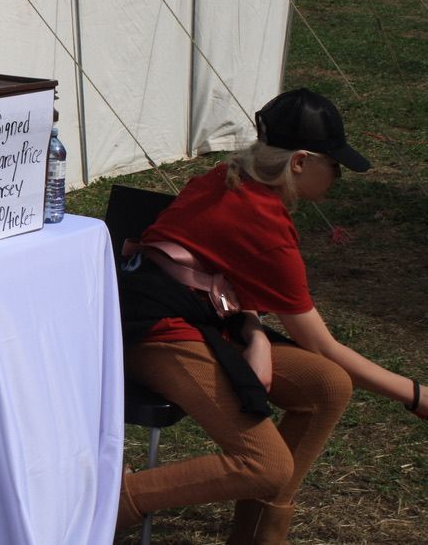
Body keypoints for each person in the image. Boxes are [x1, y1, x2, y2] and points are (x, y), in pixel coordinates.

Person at [115, 88, 426, 543]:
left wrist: (256, 333)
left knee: (325, 385)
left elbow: (231, 280)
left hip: (197, 317)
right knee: (264, 463)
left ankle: (259, 535)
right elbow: (323, 344)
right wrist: (416, 396)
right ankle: (108, 500)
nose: (338, 176)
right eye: (333, 164)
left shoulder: (231, 176)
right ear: (299, 162)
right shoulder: (264, 225)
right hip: (153, 329)